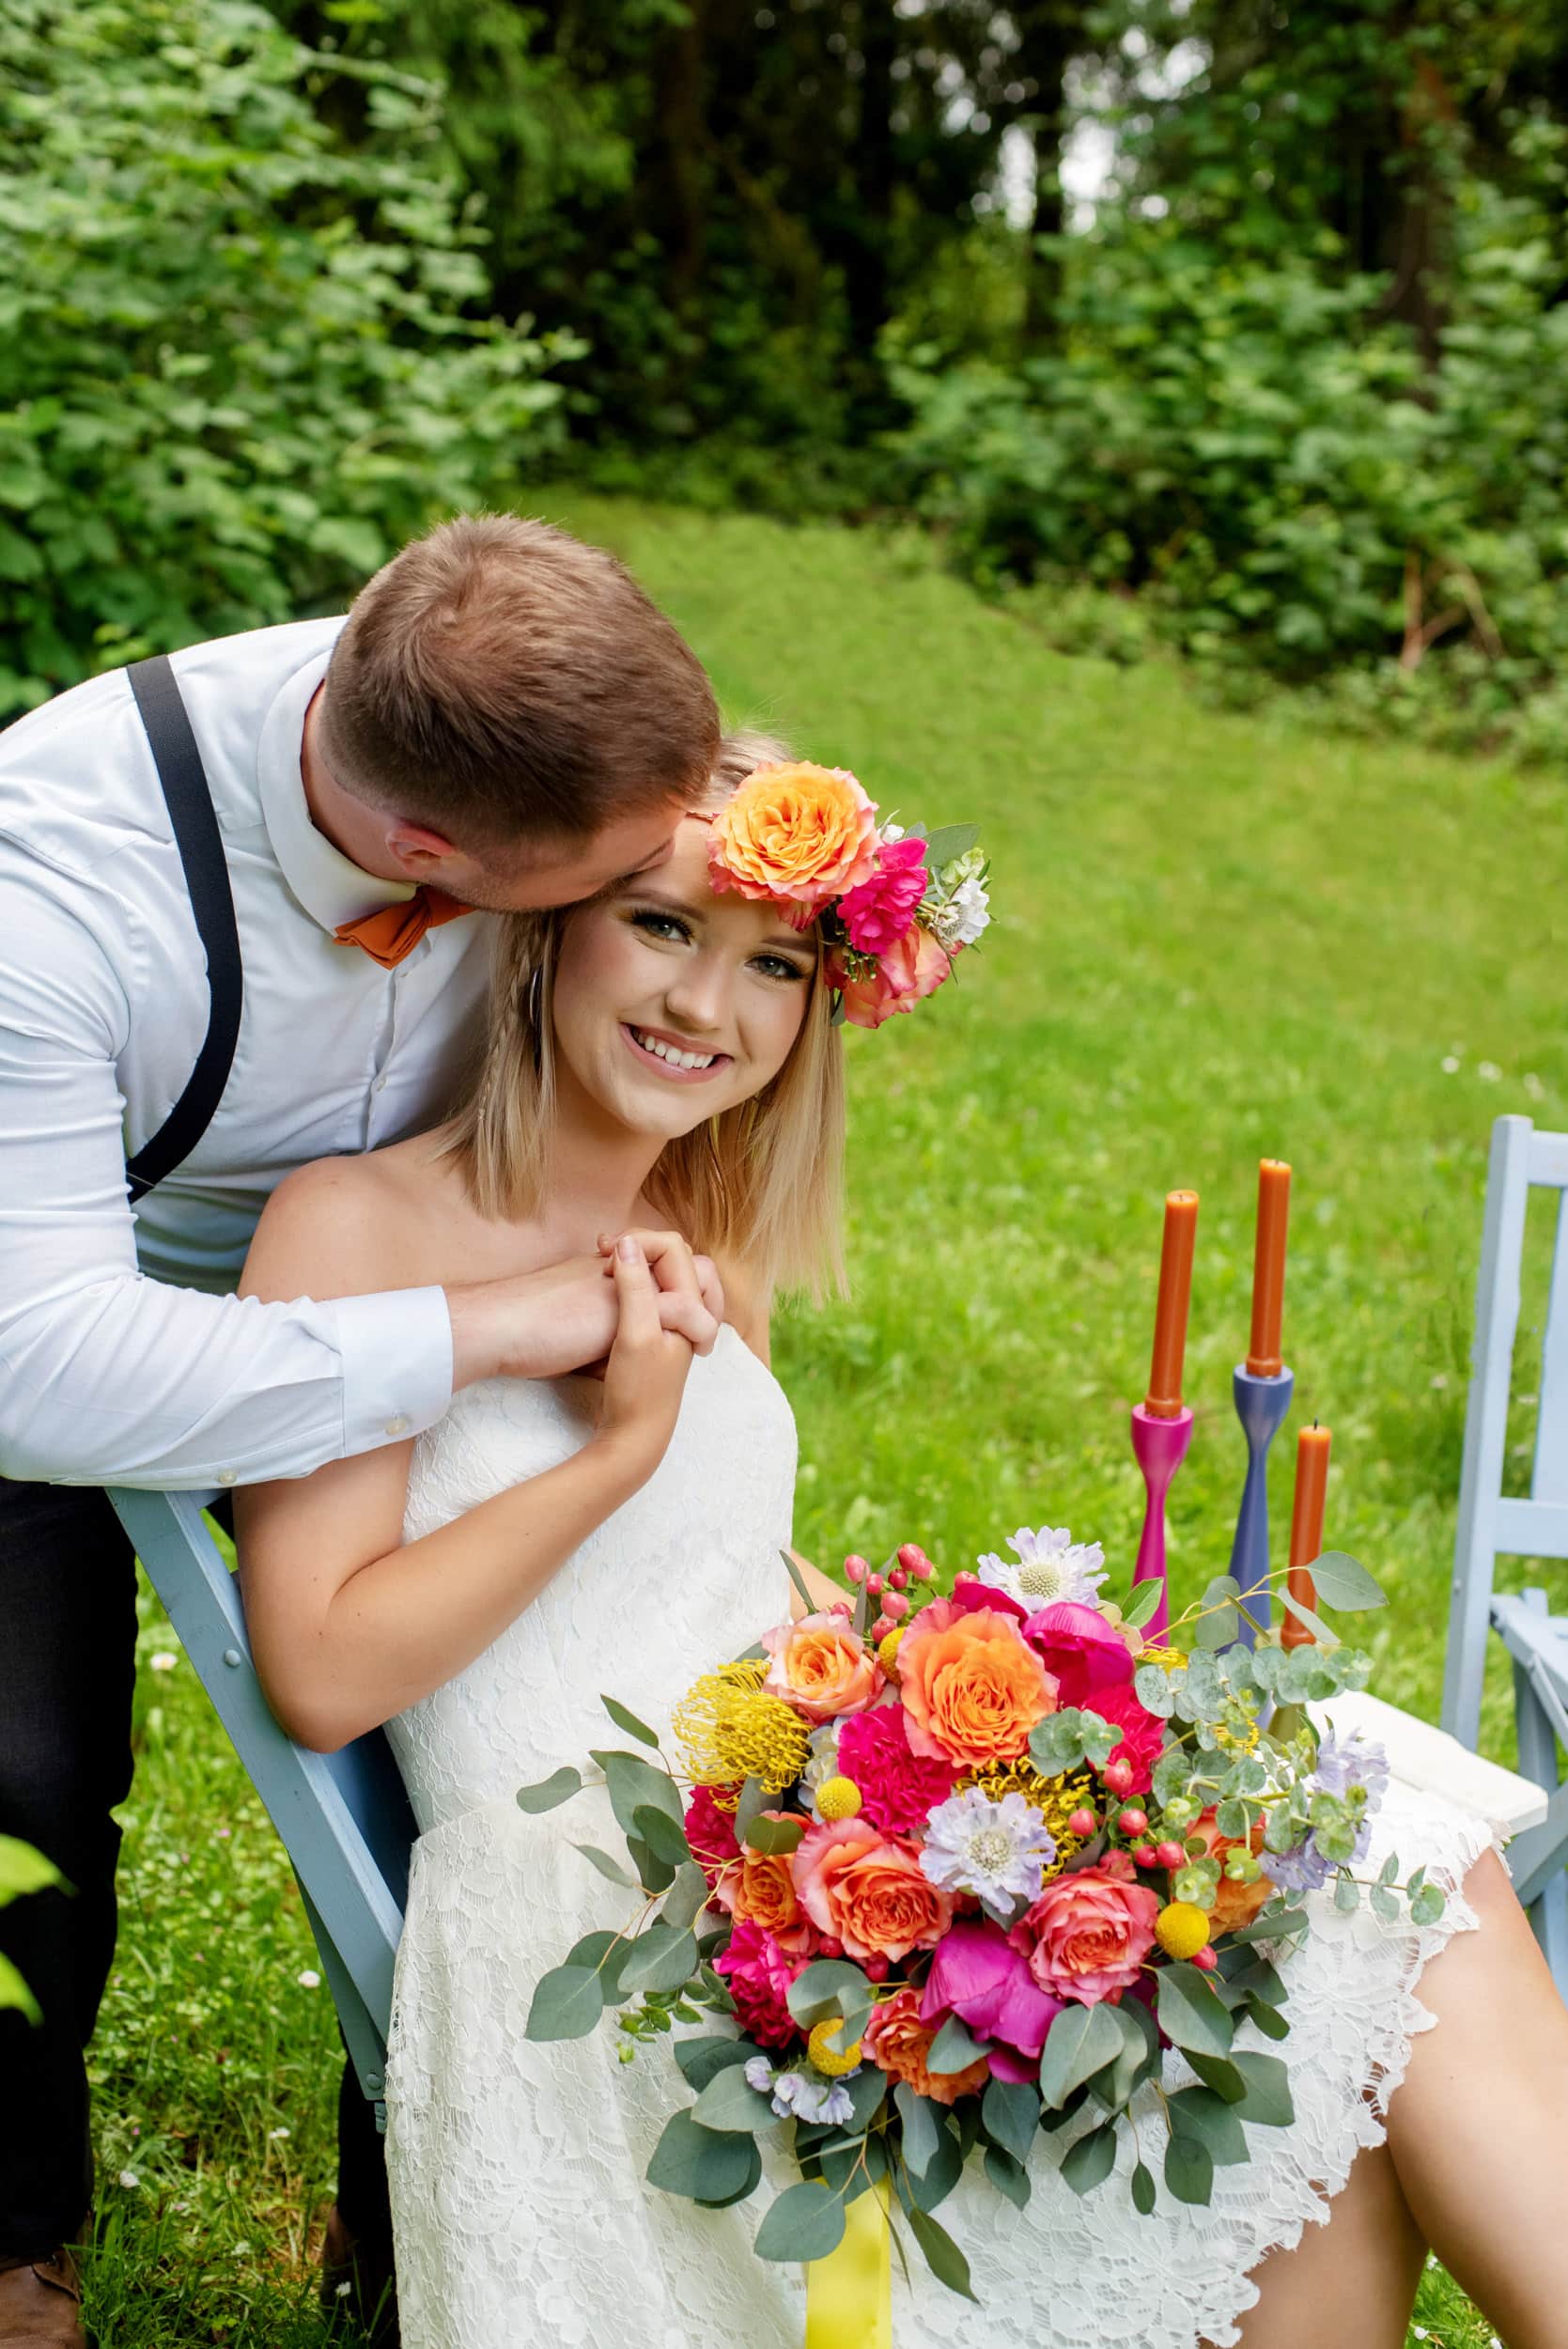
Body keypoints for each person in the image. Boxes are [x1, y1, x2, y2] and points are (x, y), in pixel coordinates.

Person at [236, 739, 1568, 2349]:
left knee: (1338, 1873)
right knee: (1366, 1892)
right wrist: (619, 1450)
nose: (707, 1009)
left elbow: (699, 1568)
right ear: (554, 918)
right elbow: (316, 1668)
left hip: (814, 1818)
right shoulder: (354, 1225)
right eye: (661, 927)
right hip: (609, 1910)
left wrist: (918, 1661)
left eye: (773, 963)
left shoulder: (711, 1234)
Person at [0, 512, 725, 2349]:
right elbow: (44, 1361)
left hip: (418, 1266)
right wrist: (475, 1324)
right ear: (425, 850)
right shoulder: (53, 879)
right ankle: (7, 2234)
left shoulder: (492, 702)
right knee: (13, 1773)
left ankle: (435, 2219)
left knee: (504, 1736)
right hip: (51, 1314)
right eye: (609, 881)